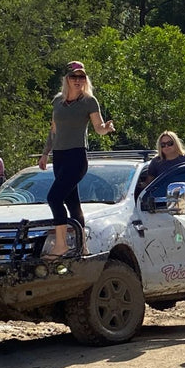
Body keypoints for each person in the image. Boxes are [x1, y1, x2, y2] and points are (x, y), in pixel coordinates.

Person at [38, 61, 115, 258]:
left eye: (82, 77)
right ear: (66, 79)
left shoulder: (89, 101)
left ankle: (61, 245)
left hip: (77, 156)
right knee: (73, 203)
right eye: (74, 77)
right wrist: (46, 153)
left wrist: (106, 129)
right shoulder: (57, 101)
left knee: (54, 198)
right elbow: (53, 130)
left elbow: (98, 128)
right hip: (60, 156)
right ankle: (82, 247)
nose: (78, 80)